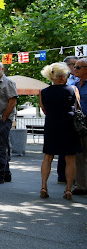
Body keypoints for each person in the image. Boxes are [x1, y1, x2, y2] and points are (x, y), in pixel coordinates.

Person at [39, 62, 80, 201]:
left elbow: (44, 109)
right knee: (70, 158)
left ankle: (43, 186)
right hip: (68, 125)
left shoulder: (43, 92)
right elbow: (78, 108)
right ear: (62, 77)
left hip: (51, 124)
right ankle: (68, 189)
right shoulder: (72, 89)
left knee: (48, 157)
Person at [57, 56, 79, 183]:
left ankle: (76, 176)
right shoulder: (65, 82)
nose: (76, 68)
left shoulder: (81, 79)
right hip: (65, 119)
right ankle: (63, 175)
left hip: (78, 119)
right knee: (64, 150)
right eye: (75, 65)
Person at [72, 58, 87, 196]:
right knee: (79, 154)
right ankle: (81, 185)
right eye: (74, 67)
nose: (74, 69)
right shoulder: (75, 84)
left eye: (78, 67)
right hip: (79, 123)